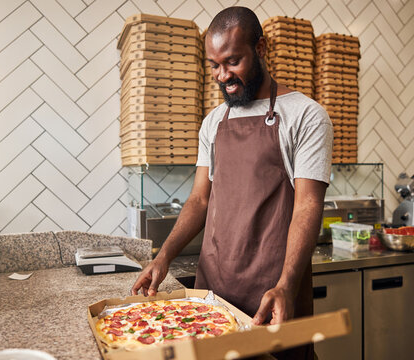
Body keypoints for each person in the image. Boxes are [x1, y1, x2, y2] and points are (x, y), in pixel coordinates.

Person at [132, 6, 332, 359]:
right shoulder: (213, 122)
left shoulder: (305, 115)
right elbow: (198, 201)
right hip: (213, 295)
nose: (222, 75)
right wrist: (162, 257)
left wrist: (286, 285)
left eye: (232, 61)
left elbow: (308, 205)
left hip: (272, 296)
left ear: (261, 48)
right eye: (214, 65)